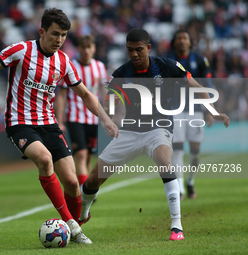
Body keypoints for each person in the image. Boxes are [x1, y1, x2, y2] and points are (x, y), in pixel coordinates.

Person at [0, 8, 119, 244]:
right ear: (42, 31)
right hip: (20, 123)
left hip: (49, 124)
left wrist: (105, 119)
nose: (59, 40)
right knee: (44, 160)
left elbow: (85, 93)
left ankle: (75, 227)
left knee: (74, 184)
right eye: (55, 34)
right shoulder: (21, 51)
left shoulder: (64, 61)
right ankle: (72, 226)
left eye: (64, 35)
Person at [79, 28, 230, 241]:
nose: (134, 54)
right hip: (129, 131)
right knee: (93, 180)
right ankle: (84, 210)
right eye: (130, 50)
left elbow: (195, 86)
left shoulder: (167, 67)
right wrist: (110, 120)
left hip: (158, 128)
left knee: (164, 161)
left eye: (139, 49)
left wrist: (213, 110)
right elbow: (110, 101)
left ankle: (176, 226)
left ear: (148, 48)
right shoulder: (122, 73)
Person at [56, 35, 108, 186]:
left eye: (89, 47)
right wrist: (60, 121)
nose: (86, 51)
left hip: (93, 118)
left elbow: (104, 92)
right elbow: (61, 96)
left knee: (90, 155)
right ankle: (85, 190)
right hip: (74, 117)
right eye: (83, 47)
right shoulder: (70, 66)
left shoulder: (100, 66)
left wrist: (107, 116)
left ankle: (85, 186)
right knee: (81, 154)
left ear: (94, 49)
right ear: (78, 49)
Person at [170, 30, 214, 200]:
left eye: (185, 38)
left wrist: (210, 109)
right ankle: (180, 187)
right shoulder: (167, 60)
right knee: (178, 148)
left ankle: (190, 181)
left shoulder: (200, 60)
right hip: (175, 109)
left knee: (195, 149)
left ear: (190, 42)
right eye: (179, 38)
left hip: (195, 109)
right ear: (174, 42)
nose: (182, 41)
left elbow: (208, 84)